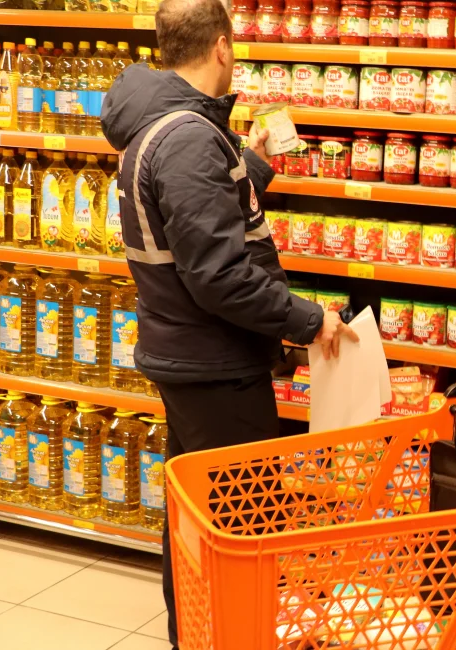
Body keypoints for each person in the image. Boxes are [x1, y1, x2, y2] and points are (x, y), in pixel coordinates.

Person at [100, 0, 357, 647]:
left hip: (190, 357)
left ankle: (196, 633)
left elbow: (196, 226)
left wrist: (250, 166)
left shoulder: (165, 127)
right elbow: (218, 275)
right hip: (214, 365)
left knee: (195, 515)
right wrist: (308, 320)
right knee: (245, 525)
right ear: (221, 46)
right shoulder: (187, 138)